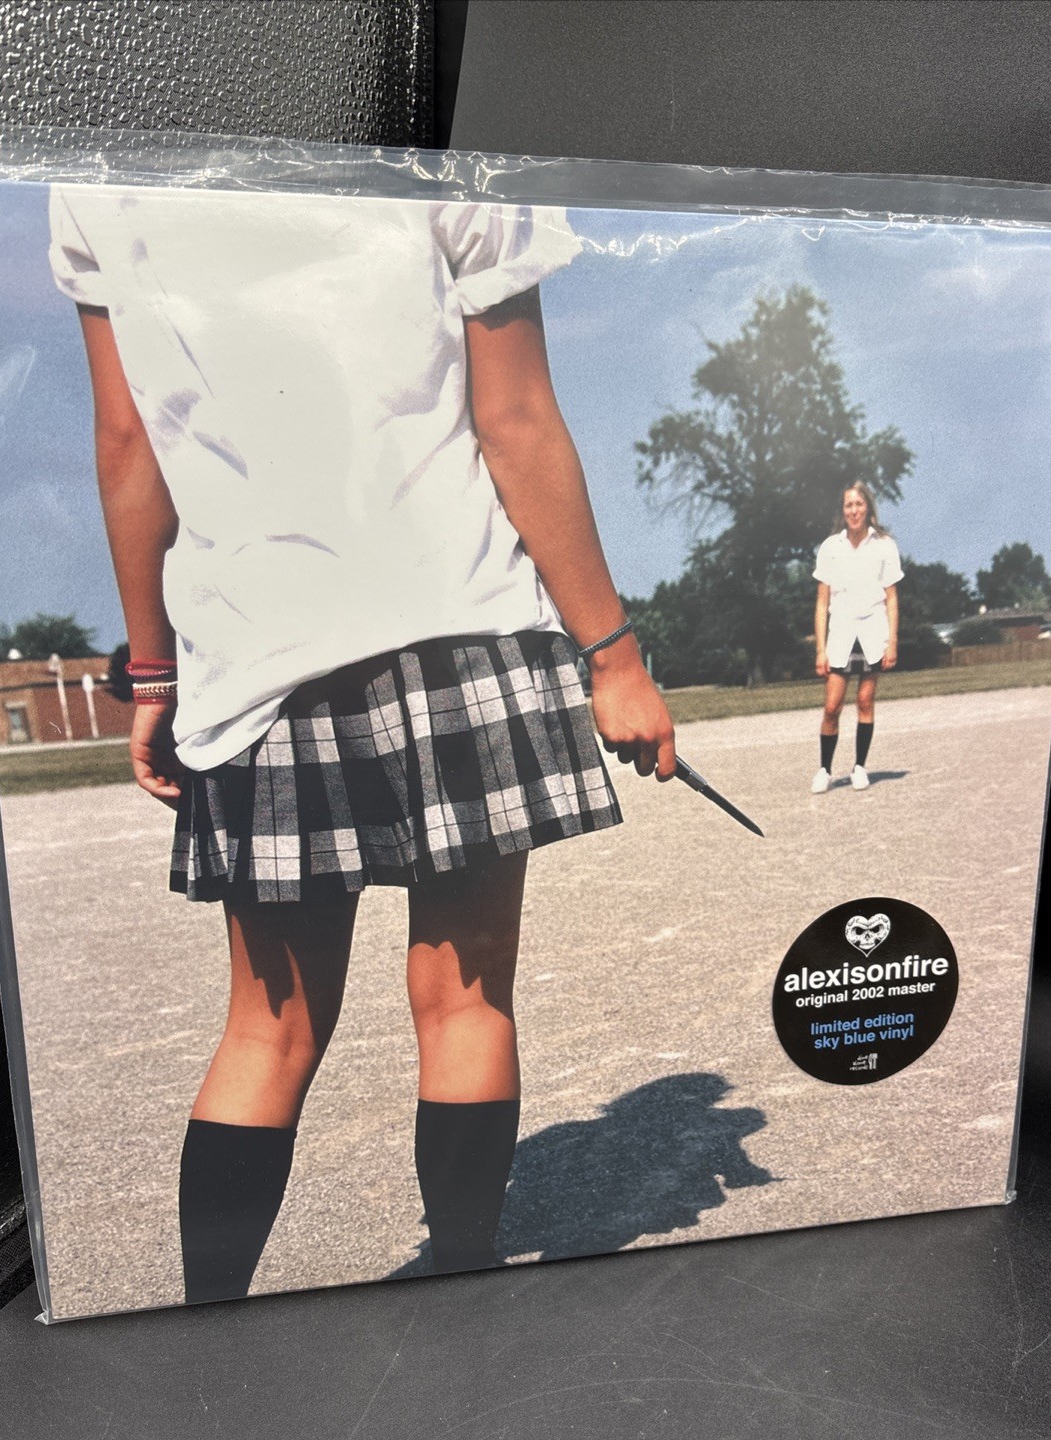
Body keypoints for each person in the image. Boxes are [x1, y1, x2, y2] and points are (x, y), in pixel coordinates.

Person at [50, 184, 676, 1303]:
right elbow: (515, 420)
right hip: (457, 626)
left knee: (267, 1032)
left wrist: (153, 671)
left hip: (256, 649)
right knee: (466, 999)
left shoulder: (96, 182)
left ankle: (207, 1332)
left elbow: (125, 442)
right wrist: (613, 656)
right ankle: (463, 1294)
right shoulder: (453, 162)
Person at [810, 481, 903, 793]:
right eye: (848, 505)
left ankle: (859, 767)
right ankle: (824, 770)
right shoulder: (830, 548)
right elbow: (822, 602)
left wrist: (892, 641)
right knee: (832, 706)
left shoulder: (885, 546)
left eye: (859, 504)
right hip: (840, 634)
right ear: (843, 510)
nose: (854, 511)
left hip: (873, 632)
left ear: (868, 508)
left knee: (865, 701)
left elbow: (891, 598)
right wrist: (820, 649)